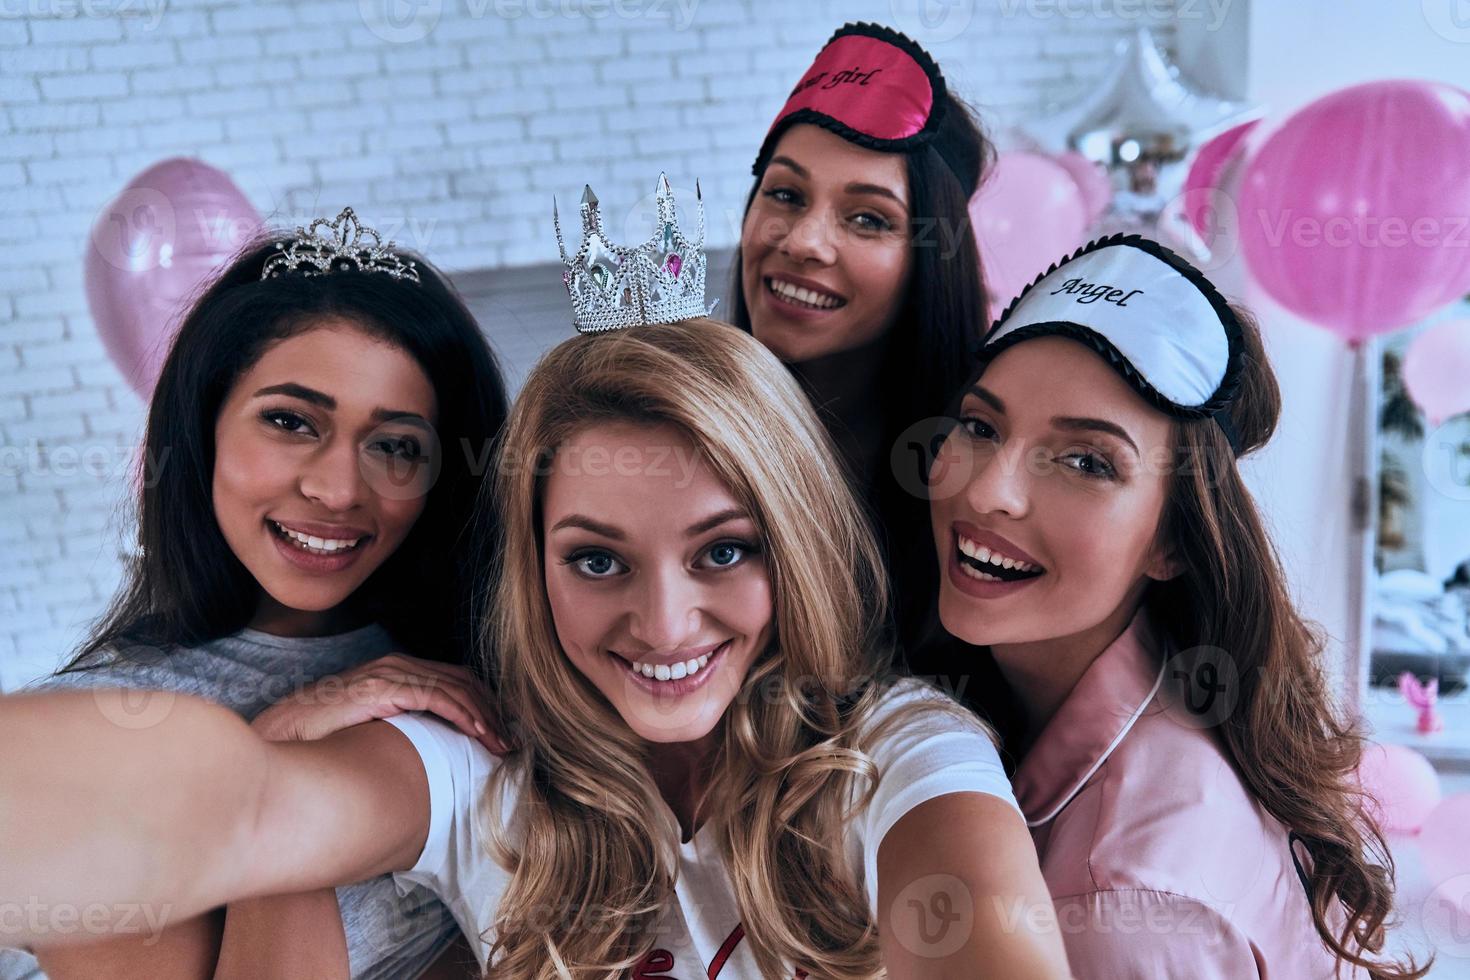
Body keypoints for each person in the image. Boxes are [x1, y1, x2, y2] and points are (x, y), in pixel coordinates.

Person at [0, 182, 1071, 980]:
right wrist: (284, 744)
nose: (662, 621)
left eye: (724, 548)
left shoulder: (903, 753)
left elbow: (979, 918)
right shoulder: (480, 753)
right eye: (597, 558)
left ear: (798, 539)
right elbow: (234, 809)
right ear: (532, 564)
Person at [15, 208, 510, 980]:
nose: (337, 488)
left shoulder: (474, 688)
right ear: (205, 424)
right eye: (290, 420)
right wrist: (274, 750)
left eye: (396, 446)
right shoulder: (101, 723)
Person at [926, 233, 1427, 978]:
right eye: (980, 426)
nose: (989, 490)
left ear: (1173, 543)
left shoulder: (1122, 902)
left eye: (1087, 461)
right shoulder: (1166, 691)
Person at [729, 22, 993, 656]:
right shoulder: (681, 431)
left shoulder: (981, 478)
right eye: (786, 194)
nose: (801, 242)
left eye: (868, 218)